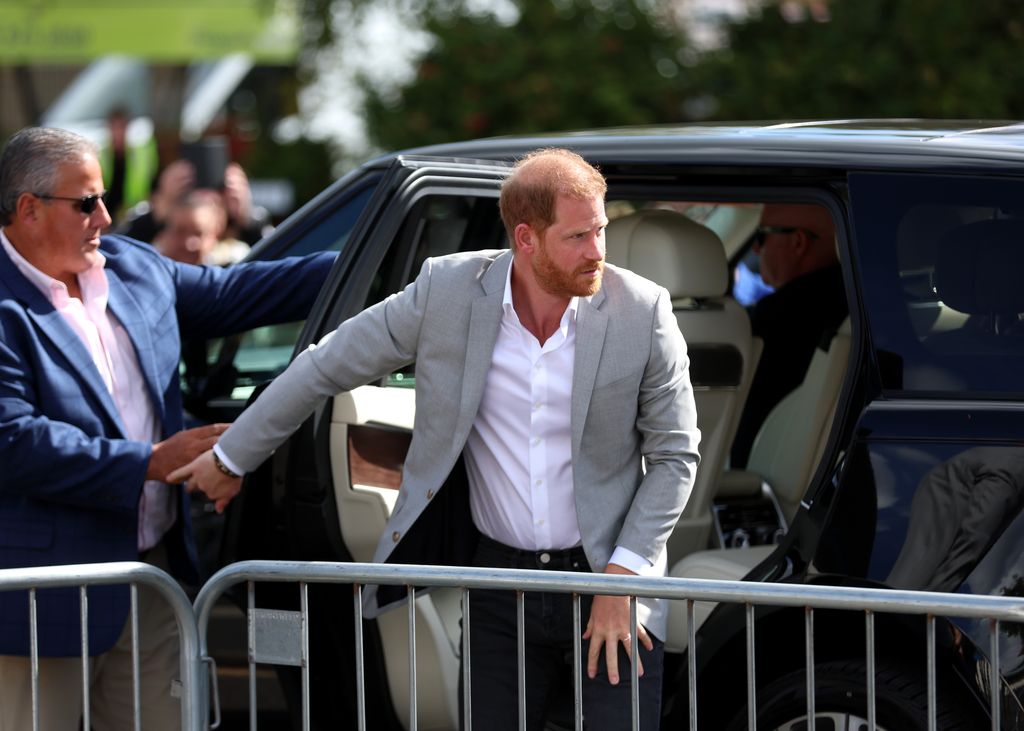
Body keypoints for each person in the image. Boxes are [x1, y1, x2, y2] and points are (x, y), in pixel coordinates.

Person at [172, 148, 701, 729]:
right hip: (500, 589)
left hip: (611, 581)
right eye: (578, 236)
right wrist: (232, 455)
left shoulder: (642, 311)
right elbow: (326, 365)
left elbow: (675, 456)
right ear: (526, 238)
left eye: (601, 229)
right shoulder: (448, 292)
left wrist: (621, 583)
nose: (598, 250)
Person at [0, 126, 335, 731]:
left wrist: (388, 261)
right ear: (28, 208)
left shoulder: (132, 266)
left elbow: (242, 291)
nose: (105, 216)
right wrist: (148, 461)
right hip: (44, 599)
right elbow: (12, 440)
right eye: (86, 203)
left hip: (152, 578)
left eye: (103, 199)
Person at [730, 202, 848, 468]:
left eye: (762, 235)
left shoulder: (778, 318)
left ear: (798, 242)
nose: (757, 248)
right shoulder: (857, 307)